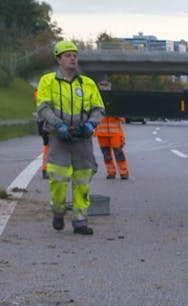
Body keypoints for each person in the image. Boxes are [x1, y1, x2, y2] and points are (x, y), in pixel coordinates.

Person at [35, 40, 105, 235]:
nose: (73, 58)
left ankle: (80, 221)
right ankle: (58, 211)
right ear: (58, 59)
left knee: (83, 178)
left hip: (82, 137)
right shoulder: (48, 81)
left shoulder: (87, 83)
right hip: (59, 136)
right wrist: (58, 125)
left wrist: (91, 123)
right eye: (67, 55)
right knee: (58, 177)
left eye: (74, 55)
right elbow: (42, 107)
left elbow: (99, 108)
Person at [94, 80, 129, 180]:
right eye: (102, 86)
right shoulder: (96, 99)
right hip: (101, 132)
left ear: (110, 87)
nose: (104, 88)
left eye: (106, 86)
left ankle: (124, 173)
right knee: (106, 155)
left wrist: (115, 112)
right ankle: (111, 172)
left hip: (115, 133)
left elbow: (123, 117)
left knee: (118, 152)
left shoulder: (115, 100)